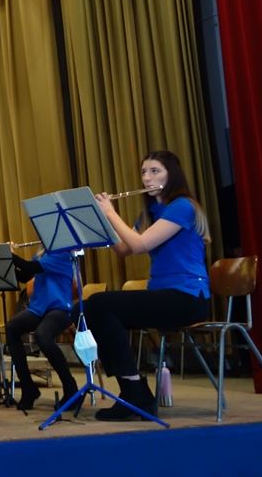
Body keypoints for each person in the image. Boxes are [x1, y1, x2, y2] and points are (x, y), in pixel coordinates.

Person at [87, 150, 211, 421]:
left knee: (98, 305)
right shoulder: (150, 213)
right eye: (144, 172)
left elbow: (140, 244)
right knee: (94, 309)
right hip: (164, 296)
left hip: (188, 298)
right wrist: (101, 220)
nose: (147, 177)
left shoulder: (182, 206)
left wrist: (110, 212)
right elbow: (122, 249)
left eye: (155, 171)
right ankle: (134, 391)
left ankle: (135, 394)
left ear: (172, 174)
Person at [6, 248, 77, 411]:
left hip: (60, 308)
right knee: (12, 329)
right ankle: (28, 388)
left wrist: (6, 254)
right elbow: (26, 276)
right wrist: (3, 264)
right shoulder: (42, 253)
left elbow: (31, 267)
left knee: (43, 336)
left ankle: (70, 387)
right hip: (39, 309)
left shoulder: (62, 253)